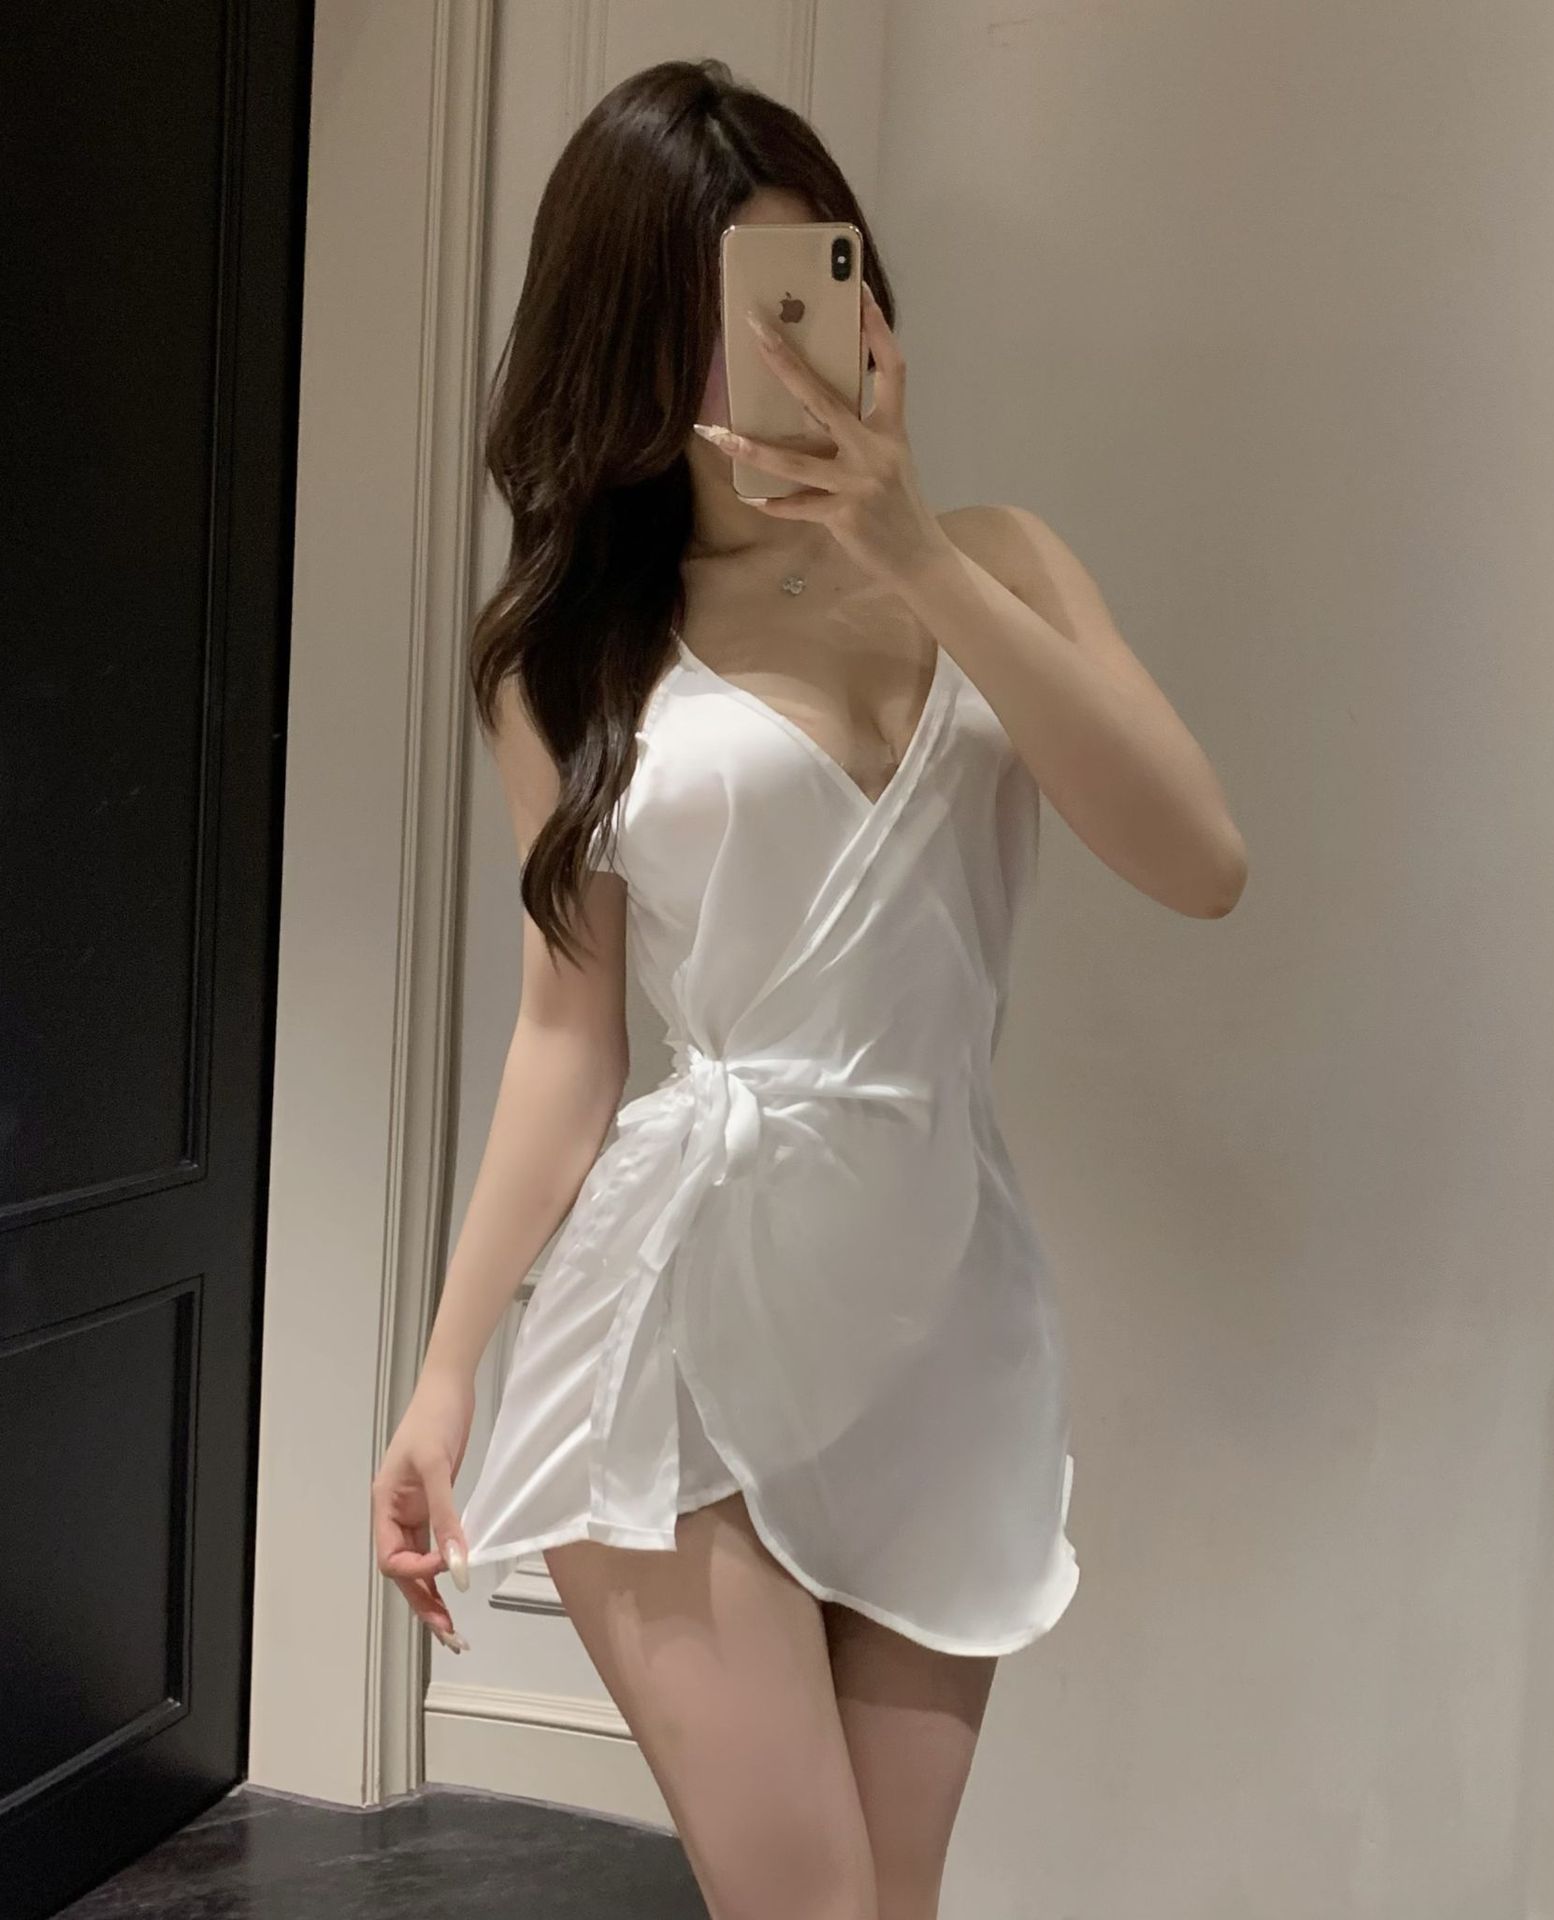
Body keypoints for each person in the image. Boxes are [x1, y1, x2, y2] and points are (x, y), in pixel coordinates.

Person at [370, 56, 1246, 1920]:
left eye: (811, 288)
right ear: (631, 338)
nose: (783, 353)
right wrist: (444, 1375)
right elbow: (567, 1034)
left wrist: (908, 549)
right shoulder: (566, 655)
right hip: (679, 1311)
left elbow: (1197, 861)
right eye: (727, 314)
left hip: (937, 1313)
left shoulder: (994, 563)